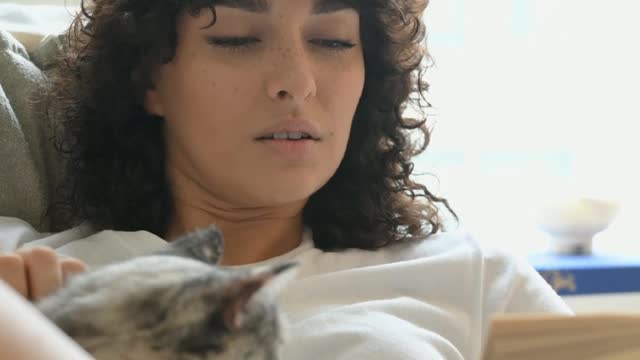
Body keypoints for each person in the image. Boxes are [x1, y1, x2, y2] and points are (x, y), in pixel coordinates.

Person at [0, 0, 573, 358]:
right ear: (148, 79)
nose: (296, 81)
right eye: (236, 38)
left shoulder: (475, 279)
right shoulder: (31, 278)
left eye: (332, 41)